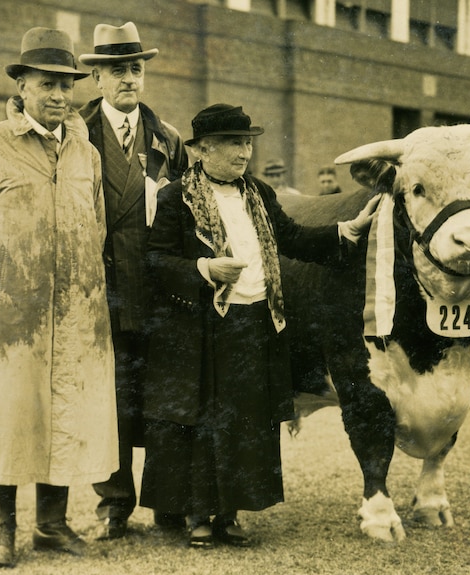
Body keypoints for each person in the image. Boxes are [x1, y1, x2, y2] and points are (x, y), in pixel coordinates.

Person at [138, 103, 376, 549]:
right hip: (200, 329)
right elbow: (155, 261)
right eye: (233, 142)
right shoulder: (175, 198)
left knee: (246, 423)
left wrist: (346, 232)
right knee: (206, 422)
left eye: (247, 142)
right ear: (202, 149)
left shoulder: (260, 194)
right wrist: (205, 268)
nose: (244, 152)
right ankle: (198, 516)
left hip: (256, 325)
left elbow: (294, 239)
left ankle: (229, 514)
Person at [0, 28, 118, 568]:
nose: (59, 95)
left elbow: (98, 227)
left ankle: (52, 527)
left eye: (67, 85)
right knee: (7, 417)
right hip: (9, 316)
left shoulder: (85, 150)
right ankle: (1, 530)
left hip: (77, 312)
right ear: (22, 85)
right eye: (47, 84)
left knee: (64, 413)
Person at [77, 21, 189, 541]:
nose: (128, 79)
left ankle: (167, 503)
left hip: (161, 291)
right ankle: (114, 503)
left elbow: (188, 218)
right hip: (101, 289)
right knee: (110, 399)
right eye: (117, 70)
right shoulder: (76, 134)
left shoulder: (168, 138)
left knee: (165, 397)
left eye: (135, 68)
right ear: (96, 77)